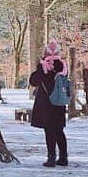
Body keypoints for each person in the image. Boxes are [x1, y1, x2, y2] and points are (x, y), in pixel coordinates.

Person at [29, 39, 68, 167]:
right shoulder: (62, 66)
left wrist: (41, 68)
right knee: (59, 131)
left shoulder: (43, 65)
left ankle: (51, 157)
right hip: (58, 103)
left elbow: (33, 81)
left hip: (46, 104)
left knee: (49, 131)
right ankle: (63, 157)